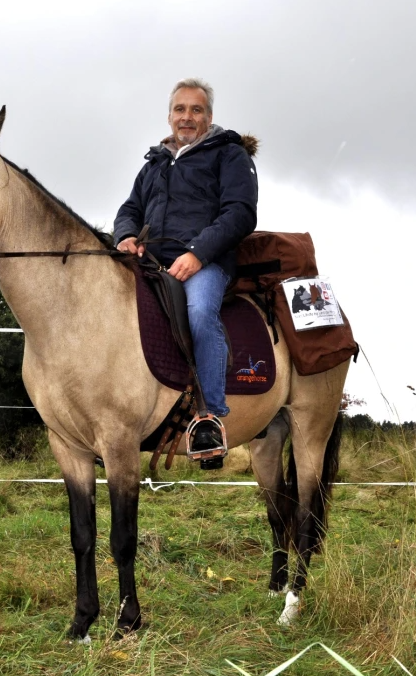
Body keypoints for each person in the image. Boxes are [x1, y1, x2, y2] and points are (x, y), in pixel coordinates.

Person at [113, 77, 258, 467]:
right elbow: (129, 210)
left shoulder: (229, 155)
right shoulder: (154, 164)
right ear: (169, 116)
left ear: (209, 117)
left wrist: (197, 254)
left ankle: (209, 417)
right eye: (180, 109)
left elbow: (240, 213)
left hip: (206, 262)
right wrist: (125, 236)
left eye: (196, 110)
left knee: (198, 314)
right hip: (151, 260)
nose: (187, 117)